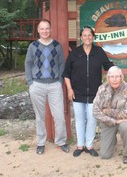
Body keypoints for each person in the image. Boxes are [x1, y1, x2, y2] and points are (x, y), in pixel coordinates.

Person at [63, 25, 114, 157]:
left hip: (94, 93)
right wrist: (69, 89)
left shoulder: (99, 52)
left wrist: (117, 71)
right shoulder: (75, 53)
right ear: (81, 37)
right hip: (77, 92)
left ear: (93, 37)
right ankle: (80, 145)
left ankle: (89, 145)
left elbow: (108, 66)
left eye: (89, 35)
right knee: (79, 118)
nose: (87, 37)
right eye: (84, 35)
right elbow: (66, 73)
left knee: (92, 119)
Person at [25, 19, 69, 155]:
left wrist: (60, 80)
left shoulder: (57, 46)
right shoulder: (33, 46)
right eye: (42, 29)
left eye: (47, 28)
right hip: (37, 84)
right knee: (40, 116)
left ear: (51, 30)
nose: (45, 31)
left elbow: (62, 64)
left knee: (59, 116)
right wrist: (30, 82)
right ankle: (41, 143)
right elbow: (28, 64)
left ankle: (61, 141)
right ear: (38, 30)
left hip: (54, 84)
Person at [93, 66, 127, 164]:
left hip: (124, 121)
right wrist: (115, 121)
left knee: (126, 127)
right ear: (107, 78)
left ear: (122, 77)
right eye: (112, 77)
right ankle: (113, 140)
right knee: (104, 155)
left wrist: (106, 111)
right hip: (108, 122)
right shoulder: (102, 89)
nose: (114, 79)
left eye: (117, 76)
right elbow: (95, 111)